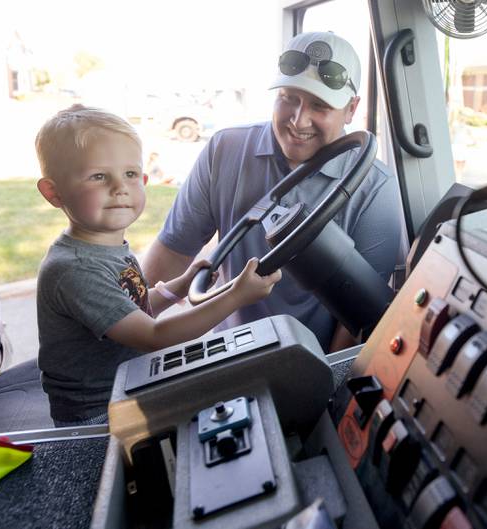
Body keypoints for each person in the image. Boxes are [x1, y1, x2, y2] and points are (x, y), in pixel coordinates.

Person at [142, 31, 404, 353]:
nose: (298, 120)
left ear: (351, 109)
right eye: (289, 97)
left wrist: (326, 389)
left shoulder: (376, 188)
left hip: (308, 363)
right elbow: (173, 251)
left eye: (319, 105)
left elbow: (354, 319)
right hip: (224, 351)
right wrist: (127, 319)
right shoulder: (225, 149)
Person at [34, 105, 282, 426]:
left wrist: (179, 284)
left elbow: (131, 308)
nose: (119, 187)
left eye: (130, 174)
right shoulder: (75, 269)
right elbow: (154, 336)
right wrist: (235, 297)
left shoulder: (105, 247)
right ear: (53, 192)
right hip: (97, 416)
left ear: (144, 179)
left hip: (130, 386)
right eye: (98, 176)